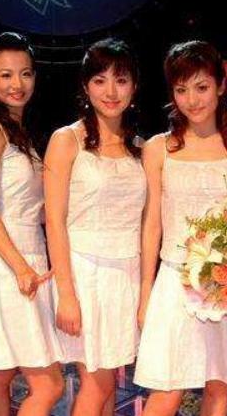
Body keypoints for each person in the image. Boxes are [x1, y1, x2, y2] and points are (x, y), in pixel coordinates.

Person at [134, 40, 227, 416]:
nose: (192, 99)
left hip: (226, 283)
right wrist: (145, 292)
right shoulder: (159, 148)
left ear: (221, 86)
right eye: (182, 89)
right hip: (174, 278)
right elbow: (152, 224)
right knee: (166, 389)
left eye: (201, 87)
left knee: (218, 386)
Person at [44, 38, 146, 416]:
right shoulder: (66, 140)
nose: (111, 91)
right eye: (100, 80)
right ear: (86, 87)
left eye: (121, 80)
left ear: (134, 86)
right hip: (85, 273)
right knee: (97, 382)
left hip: (126, 273)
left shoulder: (140, 146)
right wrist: (66, 293)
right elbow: (54, 221)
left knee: (109, 381)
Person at [0, 32, 64, 416]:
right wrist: (20, 267)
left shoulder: (19, 131)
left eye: (25, 73)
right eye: (5, 75)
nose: (17, 84)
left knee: (0, 376)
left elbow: (35, 206)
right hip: (8, 265)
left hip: (28, 257)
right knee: (49, 385)